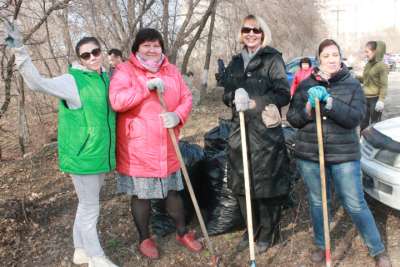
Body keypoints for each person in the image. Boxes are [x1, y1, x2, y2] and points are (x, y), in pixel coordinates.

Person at [4, 22, 118, 267]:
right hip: (83, 156)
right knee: (91, 208)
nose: (92, 58)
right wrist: (20, 50)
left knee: (86, 204)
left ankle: (80, 251)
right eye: (85, 55)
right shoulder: (72, 81)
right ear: (80, 59)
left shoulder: (106, 78)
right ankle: (97, 258)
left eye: (95, 52)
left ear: (101, 51)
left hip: (100, 155)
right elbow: (37, 83)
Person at [287, 39, 391, 267]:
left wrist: (330, 102)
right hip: (311, 155)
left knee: (355, 203)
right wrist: (307, 108)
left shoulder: (352, 85)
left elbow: (355, 118)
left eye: (335, 55)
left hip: (344, 156)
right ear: (319, 59)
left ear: (340, 58)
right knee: (318, 202)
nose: (331, 59)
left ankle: (377, 249)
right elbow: (292, 118)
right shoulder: (305, 85)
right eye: (326, 56)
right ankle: (321, 244)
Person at [109, 28, 202, 260]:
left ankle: (182, 232)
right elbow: (117, 101)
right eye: (146, 45)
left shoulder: (171, 70)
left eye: (156, 45)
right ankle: (144, 238)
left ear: (162, 48)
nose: (152, 49)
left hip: (167, 142)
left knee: (173, 192)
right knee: (141, 196)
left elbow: (186, 97)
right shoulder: (125, 70)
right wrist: (145, 87)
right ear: (137, 48)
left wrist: (178, 115)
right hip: (138, 147)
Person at [218, 14, 291, 254]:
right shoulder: (236, 61)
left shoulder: (273, 59)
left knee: (266, 183)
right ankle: (252, 227)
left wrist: (254, 103)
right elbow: (226, 93)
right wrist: (233, 97)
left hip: (265, 132)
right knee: (241, 182)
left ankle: (269, 230)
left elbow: (283, 94)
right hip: (240, 131)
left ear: (263, 33)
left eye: (256, 30)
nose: (251, 34)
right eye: (247, 29)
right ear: (241, 33)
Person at [358, 41, 388, 131]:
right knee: (363, 124)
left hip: (375, 100)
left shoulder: (381, 66)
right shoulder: (368, 64)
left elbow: (384, 85)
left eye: (367, 51)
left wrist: (381, 100)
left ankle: (375, 144)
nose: (365, 54)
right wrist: (355, 76)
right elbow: (365, 80)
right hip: (365, 98)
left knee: (375, 125)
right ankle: (362, 142)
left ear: (375, 51)